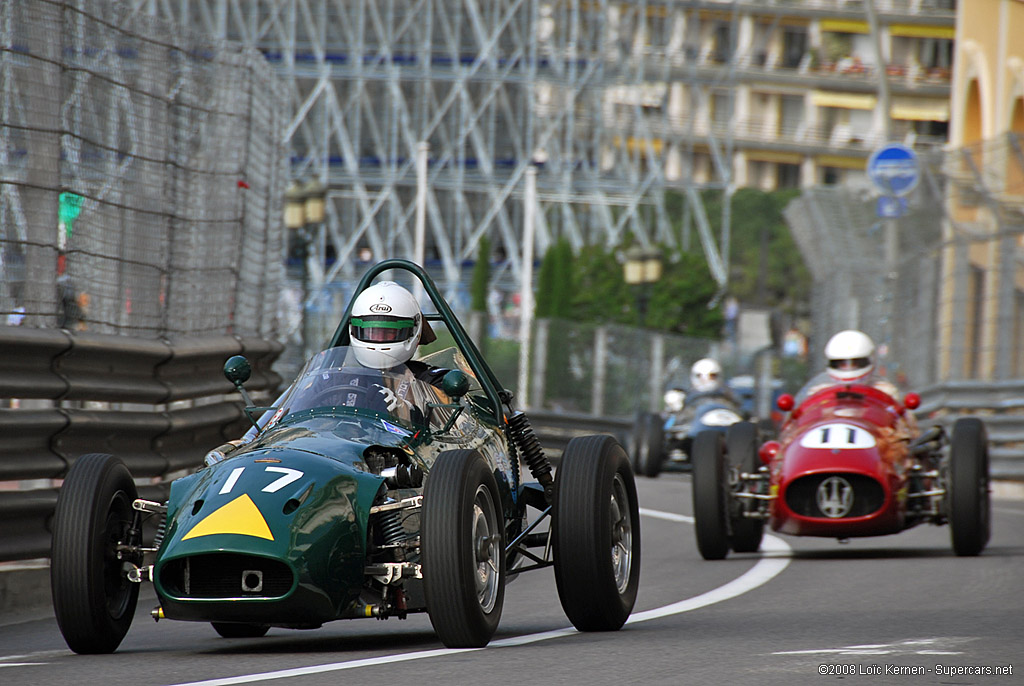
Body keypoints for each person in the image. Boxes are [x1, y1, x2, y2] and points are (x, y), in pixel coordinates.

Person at [798, 329, 900, 402]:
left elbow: (903, 427)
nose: (848, 368)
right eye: (842, 364)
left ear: (868, 360)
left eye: (855, 363)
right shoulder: (818, 393)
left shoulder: (886, 392)